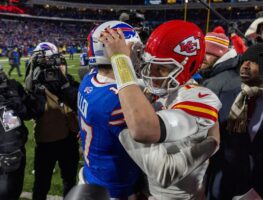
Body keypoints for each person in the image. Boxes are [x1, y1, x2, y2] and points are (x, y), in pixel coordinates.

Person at [100, 20, 222, 199]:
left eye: (163, 68)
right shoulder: (166, 88)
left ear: (189, 65)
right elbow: (120, 84)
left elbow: (144, 132)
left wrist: (120, 61)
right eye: (151, 65)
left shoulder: (202, 97)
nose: (152, 74)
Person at [206, 43, 263, 200]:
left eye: (254, 61)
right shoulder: (226, 94)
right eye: (244, 61)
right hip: (223, 188)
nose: (245, 66)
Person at [77, 21, 143, 199]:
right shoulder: (117, 101)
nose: (139, 55)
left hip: (92, 172)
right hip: (115, 188)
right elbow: (148, 138)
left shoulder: (88, 80)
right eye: (134, 50)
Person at [25, 42, 80, 200]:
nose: (50, 67)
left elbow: (78, 103)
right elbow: (31, 111)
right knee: (42, 184)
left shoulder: (66, 79)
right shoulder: (35, 85)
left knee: (69, 181)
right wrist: (36, 88)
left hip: (69, 139)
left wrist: (64, 85)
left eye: (53, 61)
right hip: (46, 141)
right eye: (44, 62)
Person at [0, 65, 45, 200]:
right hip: (5, 152)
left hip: (16, 152)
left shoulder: (11, 86)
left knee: (14, 192)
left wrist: (35, 94)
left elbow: (30, 113)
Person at [198, 31, 241, 96]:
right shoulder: (211, 75)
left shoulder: (224, 81)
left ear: (220, 56)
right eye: (202, 52)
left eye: (209, 53)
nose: (203, 57)